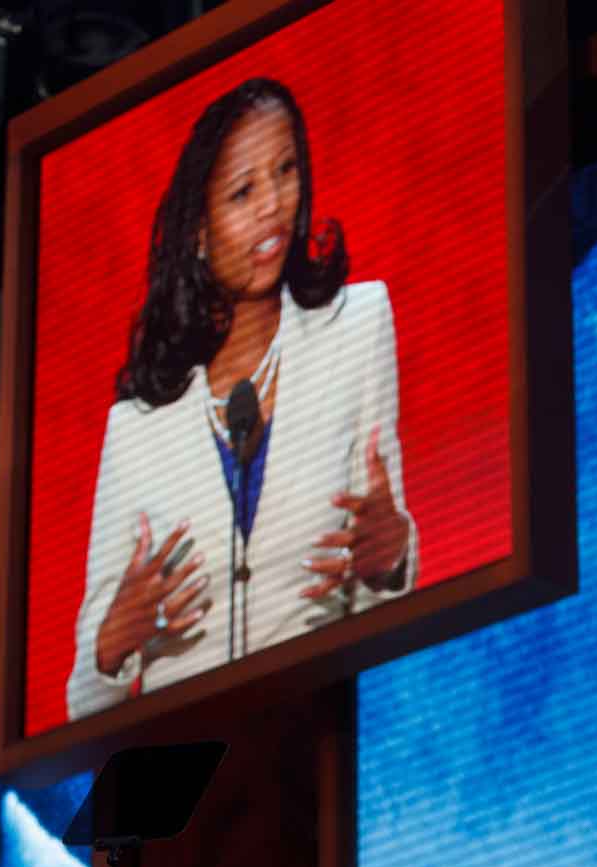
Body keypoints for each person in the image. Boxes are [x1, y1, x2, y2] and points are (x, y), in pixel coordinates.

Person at [67, 78, 418, 721]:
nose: (274, 206)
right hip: (191, 775)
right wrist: (115, 640)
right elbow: (85, 701)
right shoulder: (136, 428)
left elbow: (382, 600)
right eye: (242, 192)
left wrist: (390, 557)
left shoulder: (360, 325)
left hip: (321, 737)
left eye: (286, 171)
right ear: (198, 232)